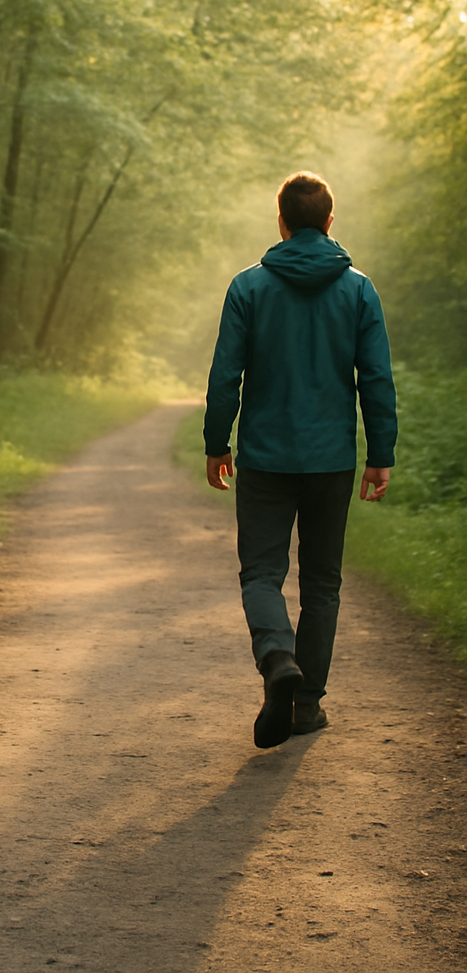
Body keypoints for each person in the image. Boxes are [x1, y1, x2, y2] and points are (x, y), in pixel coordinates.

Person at [203, 171, 397, 750]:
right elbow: (377, 379)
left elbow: (224, 376)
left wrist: (218, 443)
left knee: (262, 573)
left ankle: (276, 657)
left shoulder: (248, 287)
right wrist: (380, 454)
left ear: (280, 221)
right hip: (331, 461)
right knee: (322, 583)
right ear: (330, 222)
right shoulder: (359, 290)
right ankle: (306, 705)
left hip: (264, 459)